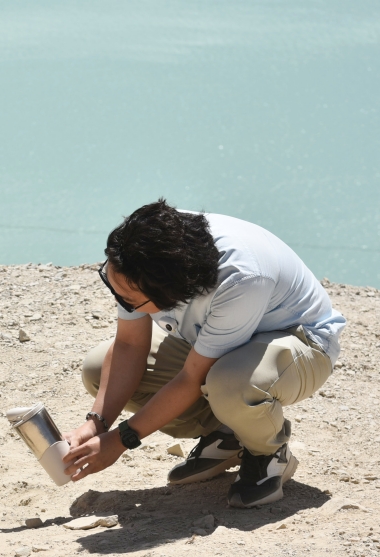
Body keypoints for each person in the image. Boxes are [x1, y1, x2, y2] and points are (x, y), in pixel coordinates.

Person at [61, 200, 345, 507]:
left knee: (229, 382)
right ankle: (229, 435)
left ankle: (268, 452)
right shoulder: (142, 249)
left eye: (129, 299)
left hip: (303, 341)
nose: (120, 300)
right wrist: (96, 424)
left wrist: (120, 441)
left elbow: (191, 378)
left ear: (172, 295)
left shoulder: (241, 277)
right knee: (96, 367)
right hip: (224, 343)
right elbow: (129, 345)